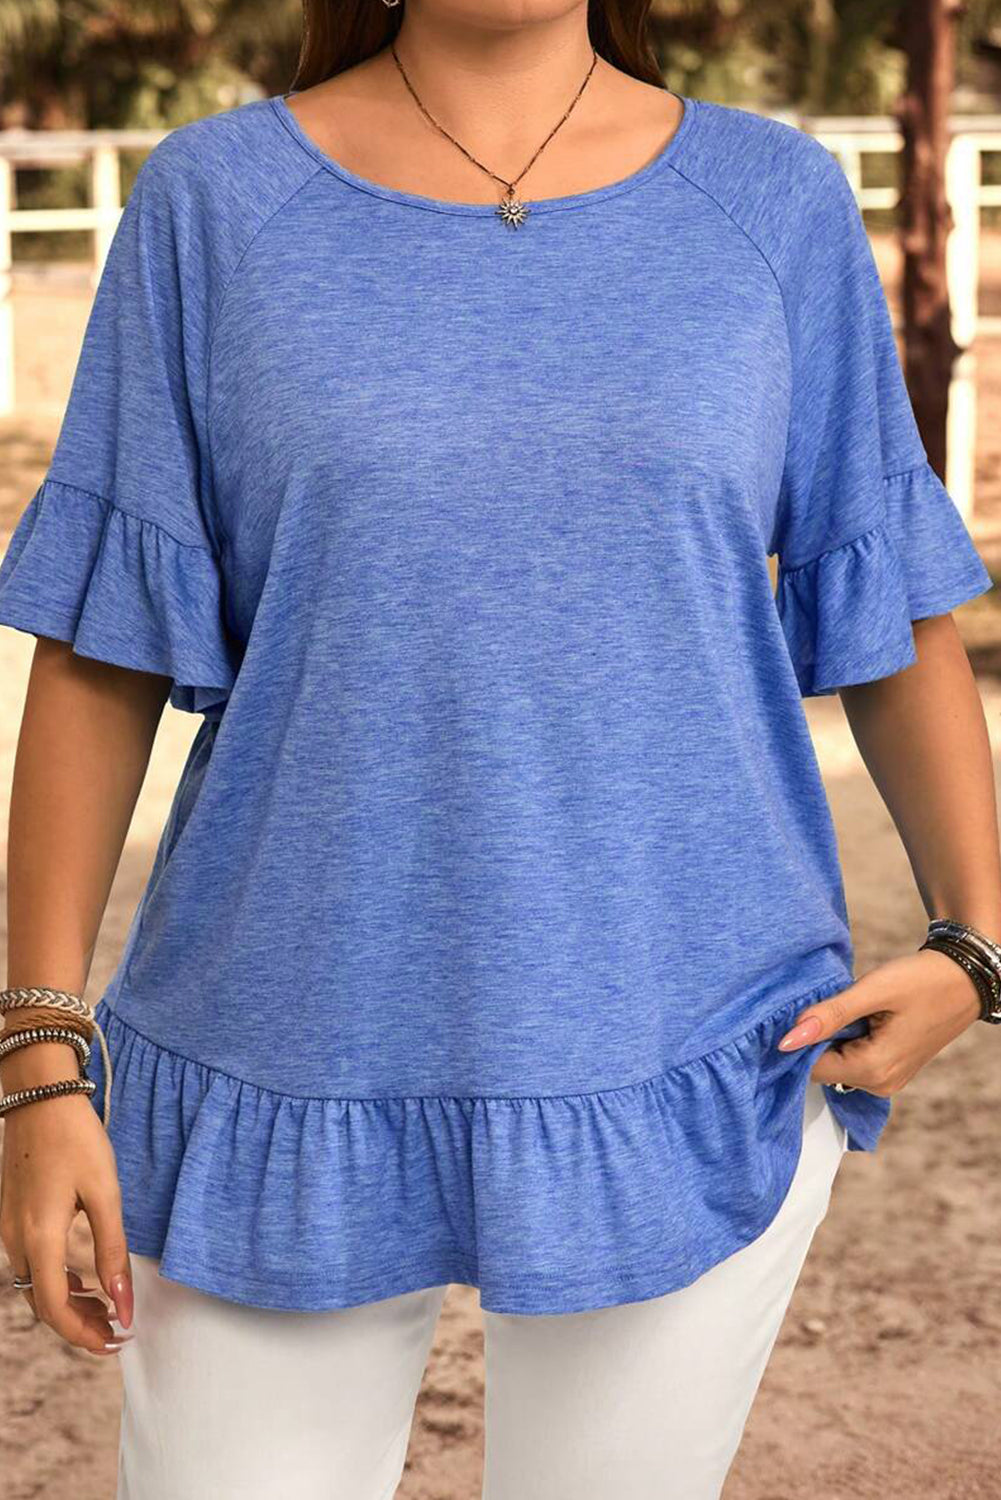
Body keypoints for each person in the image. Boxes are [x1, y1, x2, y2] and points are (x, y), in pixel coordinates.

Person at [1, 2, 1000, 1496]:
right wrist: (37, 1053)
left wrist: (977, 943)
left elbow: (886, 593)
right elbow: (103, 654)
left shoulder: (771, 203)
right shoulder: (214, 204)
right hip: (275, 1051)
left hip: (693, 1051)